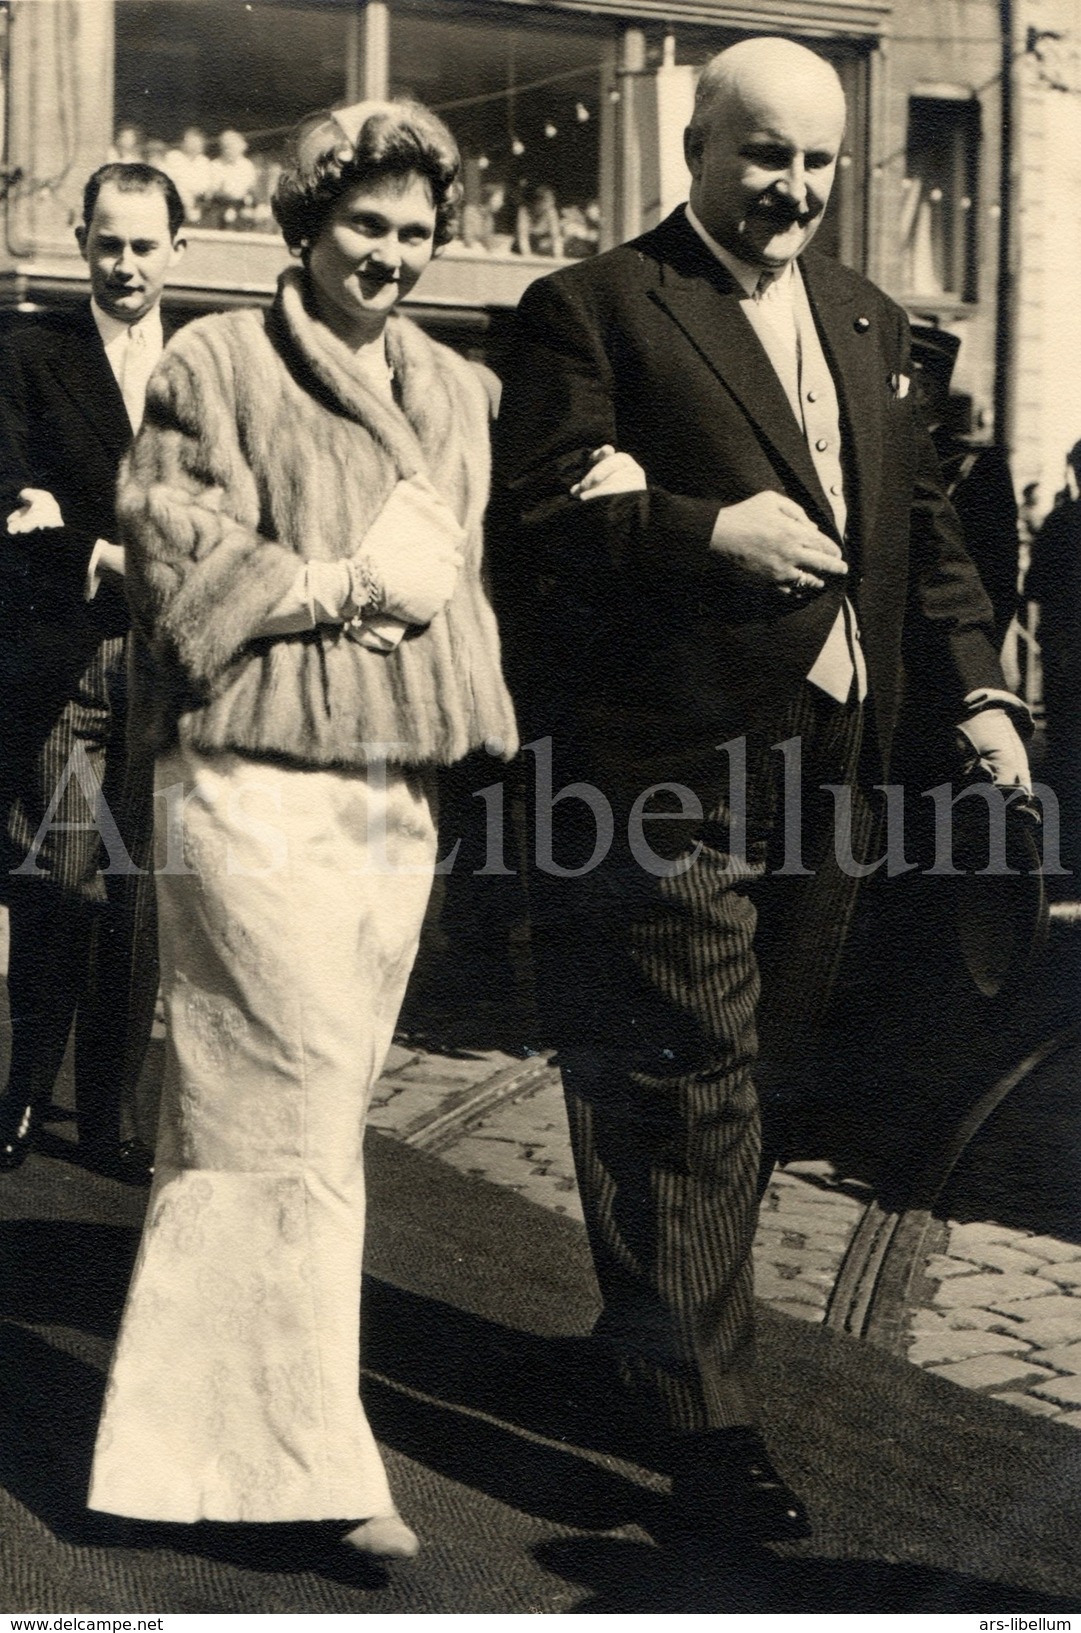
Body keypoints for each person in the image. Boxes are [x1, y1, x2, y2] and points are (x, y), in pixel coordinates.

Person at [490, 36, 1031, 1548]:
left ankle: (647, 1347)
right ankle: (705, 1431)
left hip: (839, 780)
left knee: (741, 1085)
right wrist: (700, 532)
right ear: (697, 150)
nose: (792, 187)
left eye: (817, 160)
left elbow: (916, 531)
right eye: (764, 155)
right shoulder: (591, 307)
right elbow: (534, 517)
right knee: (691, 1082)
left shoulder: (865, 316)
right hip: (664, 780)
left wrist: (983, 693)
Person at [86, 98, 517, 1563]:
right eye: (364, 225)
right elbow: (168, 551)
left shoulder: (461, 391)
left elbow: (464, 583)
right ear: (306, 224)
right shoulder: (213, 360)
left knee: (296, 1120)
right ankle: (314, 1468)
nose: (389, 254)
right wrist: (337, 587)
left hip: (394, 792)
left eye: (415, 231)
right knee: (282, 1114)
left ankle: (184, 1453)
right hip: (247, 782)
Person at [0, 162, 188, 1180]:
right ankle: (24, 1084)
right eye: (108, 243)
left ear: (177, 250)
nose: (125, 264)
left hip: (168, 664)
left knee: (137, 903)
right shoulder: (30, 354)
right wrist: (82, 544)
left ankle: (111, 1118)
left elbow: (229, 515)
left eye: (144, 244)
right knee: (62, 879)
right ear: (81, 242)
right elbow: (5, 502)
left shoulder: (207, 364)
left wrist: (79, 531)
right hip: (68, 658)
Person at [909, 322, 1021, 648]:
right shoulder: (873, 455)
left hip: (941, 651)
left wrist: (978, 656)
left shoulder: (976, 466)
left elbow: (998, 573)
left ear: (923, 391)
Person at [1025, 441, 1081, 886]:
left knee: (1066, 745)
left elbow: (1035, 585)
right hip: (1066, 647)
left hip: (1066, 650)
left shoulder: (1062, 522)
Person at [163, 126, 214, 222]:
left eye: (197, 142)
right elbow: (171, 182)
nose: (194, 145)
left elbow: (206, 185)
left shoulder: (204, 161)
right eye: (191, 142)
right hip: (176, 202)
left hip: (198, 203)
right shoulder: (173, 157)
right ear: (183, 143)